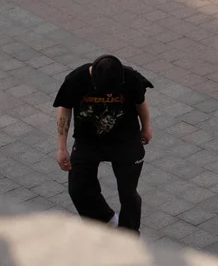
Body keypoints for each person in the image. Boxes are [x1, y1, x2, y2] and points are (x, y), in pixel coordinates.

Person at [53, 54, 154, 235]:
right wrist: (62, 148)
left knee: (128, 193)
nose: (108, 94)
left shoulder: (130, 78)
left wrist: (146, 127)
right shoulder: (76, 79)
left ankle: (129, 235)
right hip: (88, 140)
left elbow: (140, 103)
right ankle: (107, 222)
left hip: (125, 140)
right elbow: (65, 109)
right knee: (78, 188)